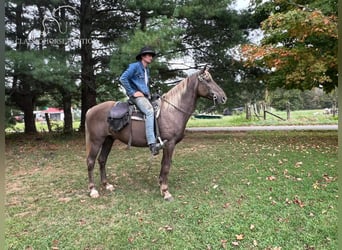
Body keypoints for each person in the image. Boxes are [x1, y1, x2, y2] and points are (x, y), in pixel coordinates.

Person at [119, 46, 165, 155]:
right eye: (148, 55)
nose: (151, 58)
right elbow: (123, 78)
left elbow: (143, 85)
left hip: (144, 96)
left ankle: (158, 136)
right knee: (149, 111)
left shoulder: (146, 70)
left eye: (151, 56)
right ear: (142, 57)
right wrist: (132, 92)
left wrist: (149, 95)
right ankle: (152, 144)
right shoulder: (134, 66)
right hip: (136, 96)